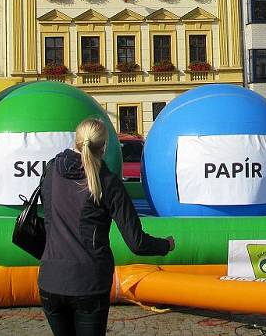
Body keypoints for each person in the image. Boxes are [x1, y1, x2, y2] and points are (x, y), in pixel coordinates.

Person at [38, 118, 174, 336]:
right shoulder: (108, 182)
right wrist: (166, 245)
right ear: (104, 147)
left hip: (50, 280)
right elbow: (136, 243)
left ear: (76, 140)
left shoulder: (52, 169)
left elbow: (48, 218)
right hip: (89, 282)